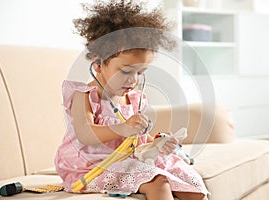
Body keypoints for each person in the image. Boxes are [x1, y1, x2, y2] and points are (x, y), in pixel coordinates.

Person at [55, 1, 209, 200]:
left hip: (126, 160)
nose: (133, 80)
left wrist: (157, 143)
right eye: (126, 71)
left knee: (188, 180)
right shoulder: (83, 95)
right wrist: (123, 128)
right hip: (91, 167)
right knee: (158, 181)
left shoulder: (133, 99)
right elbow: (85, 134)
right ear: (99, 64)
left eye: (140, 72)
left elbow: (136, 141)